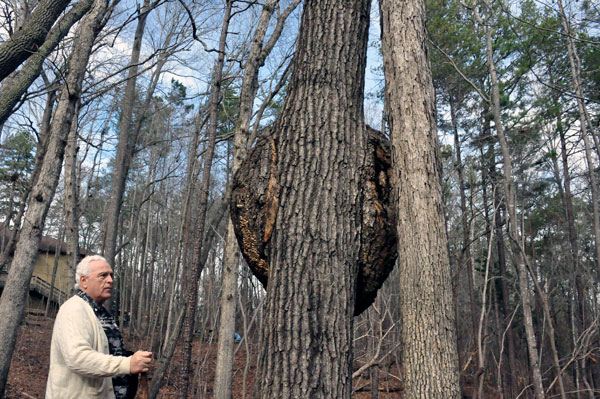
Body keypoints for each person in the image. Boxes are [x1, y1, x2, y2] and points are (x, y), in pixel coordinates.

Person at [46, 255, 152, 399]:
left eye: (111, 275)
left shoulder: (99, 312)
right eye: (103, 276)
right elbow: (78, 357)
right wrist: (127, 363)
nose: (110, 280)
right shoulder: (74, 309)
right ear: (84, 281)